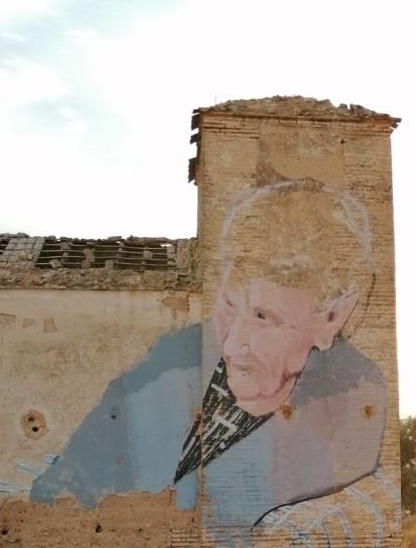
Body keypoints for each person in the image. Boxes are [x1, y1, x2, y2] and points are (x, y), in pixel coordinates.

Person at [30, 180, 388, 539]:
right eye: (229, 306)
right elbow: (55, 493)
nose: (231, 343)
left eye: (264, 318)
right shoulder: (166, 364)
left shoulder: (354, 394)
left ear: (333, 317)